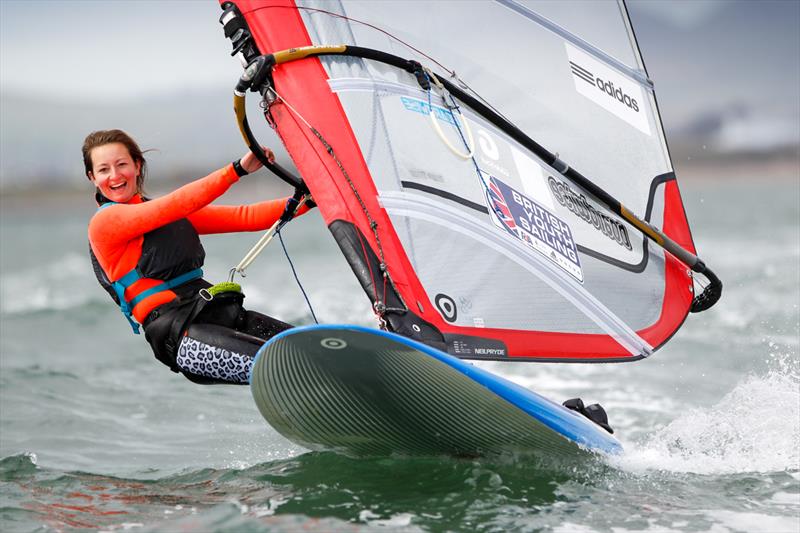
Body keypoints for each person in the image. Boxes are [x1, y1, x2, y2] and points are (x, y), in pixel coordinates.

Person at [85, 129, 311, 385]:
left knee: (311, 349)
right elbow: (178, 203)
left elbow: (244, 216)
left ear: (137, 166)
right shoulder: (104, 222)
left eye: (122, 164)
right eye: (104, 170)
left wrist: (309, 200)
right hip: (181, 337)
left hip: (215, 313)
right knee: (289, 367)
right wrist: (237, 170)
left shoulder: (163, 215)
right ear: (92, 177)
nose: (114, 176)